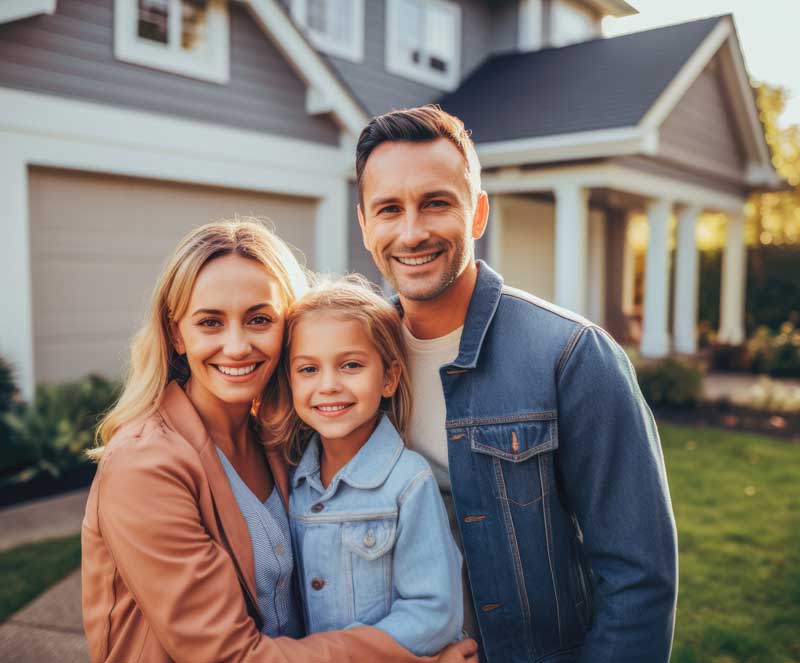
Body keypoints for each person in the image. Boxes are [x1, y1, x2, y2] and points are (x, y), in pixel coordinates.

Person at [355, 106, 679, 663]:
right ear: (365, 225)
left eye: (436, 203)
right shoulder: (348, 365)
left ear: (478, 213)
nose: (412, 232)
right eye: (389, 209)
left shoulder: (573, 356)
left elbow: (639, 578)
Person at [81, 218, 477, 663]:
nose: (236, 346)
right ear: (176, 333)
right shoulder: (144, 465)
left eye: (259, 319)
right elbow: (228, 655)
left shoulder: (280, 444)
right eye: (210, 322)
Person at [276, 276, 463, 656]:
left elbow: (435, 611)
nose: (328, 385)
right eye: (308, 369)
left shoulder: (407, 482)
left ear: (389, 378)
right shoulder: (290, 479)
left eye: (350, 365)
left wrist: (325, 653)